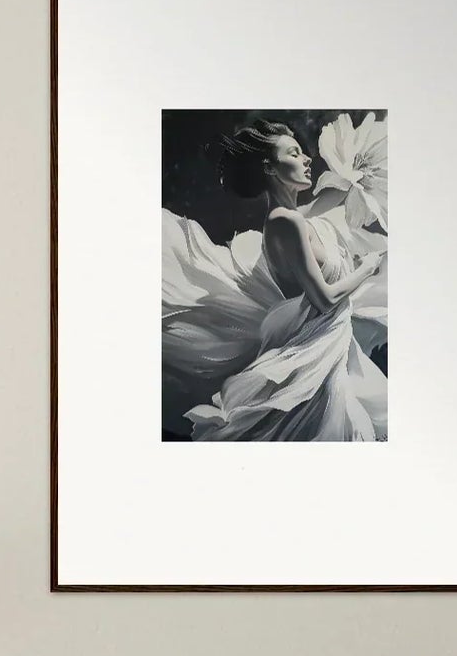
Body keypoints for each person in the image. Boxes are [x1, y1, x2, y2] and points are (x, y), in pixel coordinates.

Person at [161, 118, 388, 442]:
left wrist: (358, 171)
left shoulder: (297, 218)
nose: (307, 159)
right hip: (313, 359)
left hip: (330, 352)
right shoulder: (285, 223)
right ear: (269, 168)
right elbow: (324, 300)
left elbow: (336, 195)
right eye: (294, 153)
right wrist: (366, 269)